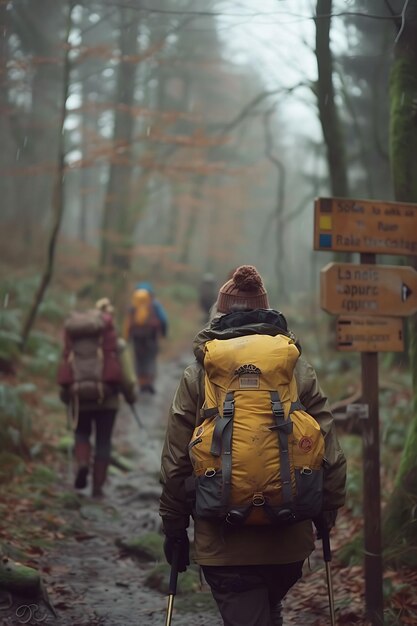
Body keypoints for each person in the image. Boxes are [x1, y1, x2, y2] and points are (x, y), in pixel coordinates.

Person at [159, 265, 346, 626]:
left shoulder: (200, 372)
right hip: (288, 540)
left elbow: (176, 459)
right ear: (267, 312)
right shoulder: (295, 367)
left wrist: (173, 524)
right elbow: (329, 448)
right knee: (266, 608)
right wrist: (328, 508)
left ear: (221, 313)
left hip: (223, 542)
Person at [59, 298, 138, 498]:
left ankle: (83, 464)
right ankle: (97, 488)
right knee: (103, 441)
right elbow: (127, 378)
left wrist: (66, 396)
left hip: (79, 398)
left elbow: (65, 366)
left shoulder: (75, 340)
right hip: (107, 400)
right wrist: (131, 397)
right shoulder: (116, 344)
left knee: (81, 433)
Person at [124, 282, 168, 394]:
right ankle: (149, 383)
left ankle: (142, 383)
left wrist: (127, 336)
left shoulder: (133, 305)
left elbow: (128, 323)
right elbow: (163, 319)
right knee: (150, 359)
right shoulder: (155, 305)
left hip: (136, 337)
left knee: (139, 360)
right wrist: (163, 333)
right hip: (151, 336)